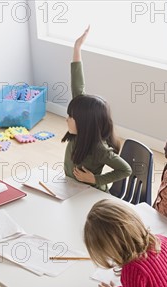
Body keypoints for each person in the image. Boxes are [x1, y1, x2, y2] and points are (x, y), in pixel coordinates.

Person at [62, 26, 132, 192]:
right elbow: (78, 85)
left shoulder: (99, 149)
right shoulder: (79, 132)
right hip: (72, 187)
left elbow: (126, 169)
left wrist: (95, 179)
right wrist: (77, 48)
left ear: (85, 123)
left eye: (71, 117)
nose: (67, 119)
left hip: (90, 194)